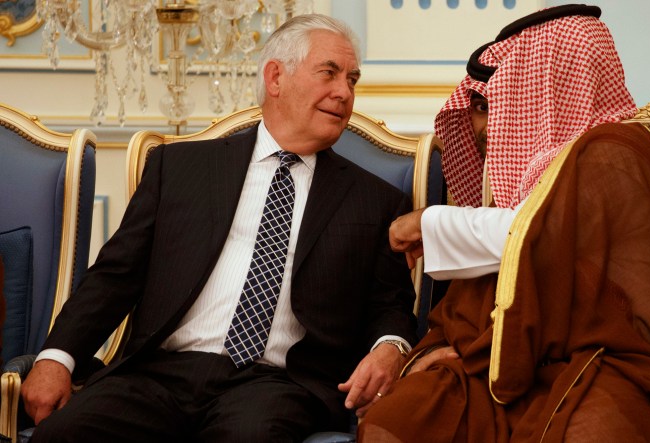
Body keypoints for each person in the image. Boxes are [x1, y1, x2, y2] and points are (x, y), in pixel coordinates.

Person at [359, 5, 650, 442]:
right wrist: (449, 347)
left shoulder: (615, 152)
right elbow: (513, 249)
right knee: (399, 419)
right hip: (508, 358)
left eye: (489, 104)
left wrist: (428, 222)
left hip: (613, 361)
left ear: (543, 86)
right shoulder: (540, 180)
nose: (484, 125)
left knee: (591, 429)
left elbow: (534, 237)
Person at [21, 14, 418, 442]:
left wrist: (390, 348)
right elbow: (115, 275)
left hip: (277, 383)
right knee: (64, 435)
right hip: (158, 374)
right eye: (329, 73)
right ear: (276, 77)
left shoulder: (375, 200)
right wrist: (56, 358)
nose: (344, 92)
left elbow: (389, 304)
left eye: (352, 80)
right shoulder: (180, 168)